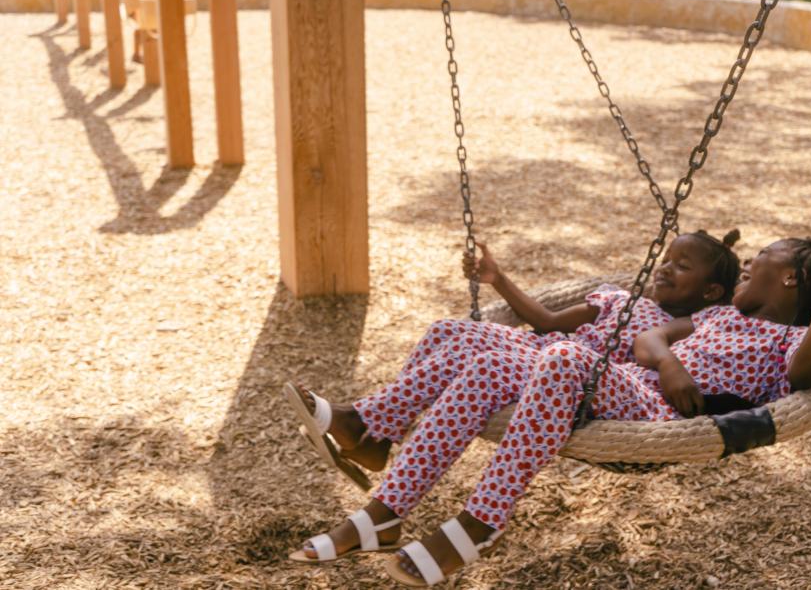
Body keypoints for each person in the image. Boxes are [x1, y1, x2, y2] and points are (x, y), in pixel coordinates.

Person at [282, 232, 741, 563]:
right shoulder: (620, 300)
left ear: (711, 292)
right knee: (447, 330)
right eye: (667, 257)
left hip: (566, 384)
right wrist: (497, 278)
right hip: (542, 350)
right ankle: (377, 434)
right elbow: (544, 318)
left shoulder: (697, 330)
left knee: (481, 361)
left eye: (682, 266)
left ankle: (369, 432)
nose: (665, 267)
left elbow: (729, 327)